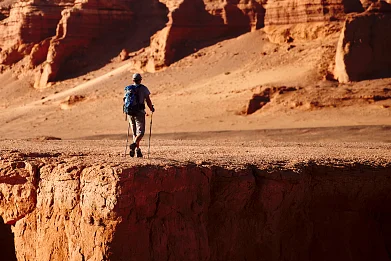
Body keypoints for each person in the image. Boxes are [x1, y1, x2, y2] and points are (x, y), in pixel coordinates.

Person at [124, 73, 154, 157]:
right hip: (139, 113)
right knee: (141, 132)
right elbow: (148, 100)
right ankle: (134, 145)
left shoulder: (128, 89)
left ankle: (137, 150)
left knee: (134, 132)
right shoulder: (143, 88)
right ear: (140, 80)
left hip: (130, 112)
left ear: (133, 80)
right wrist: (151, 108)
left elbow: (124, 100)